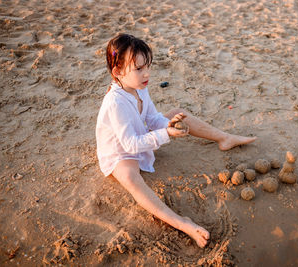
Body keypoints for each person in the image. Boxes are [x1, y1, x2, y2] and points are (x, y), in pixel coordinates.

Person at [96, 33, 256, 248]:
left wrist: (168, 124)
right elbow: (130, 145)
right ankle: (182, 223)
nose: (147, 74)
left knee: (178, 112)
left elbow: (151, 117)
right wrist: (166, 134)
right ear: (117, 72)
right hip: (120, 152)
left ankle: (224, 138)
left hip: (141, 134)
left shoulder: (139, 88)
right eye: (139, 69)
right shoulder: (115, 102)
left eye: (148, 66)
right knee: (131, 178)